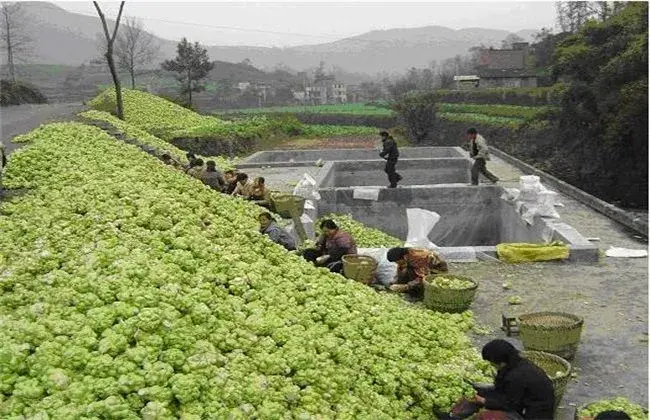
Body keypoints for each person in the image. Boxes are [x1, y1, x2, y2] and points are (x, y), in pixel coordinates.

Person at [473, 339, 555, 420]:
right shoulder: (517, 364)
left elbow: (510, 405)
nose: (492, 365)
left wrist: (484, 401)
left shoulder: (516, 376)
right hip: (525, 405)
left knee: (484, 416)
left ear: (501, 361)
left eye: (492, 362)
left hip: (533, 415)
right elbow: (503, 391)